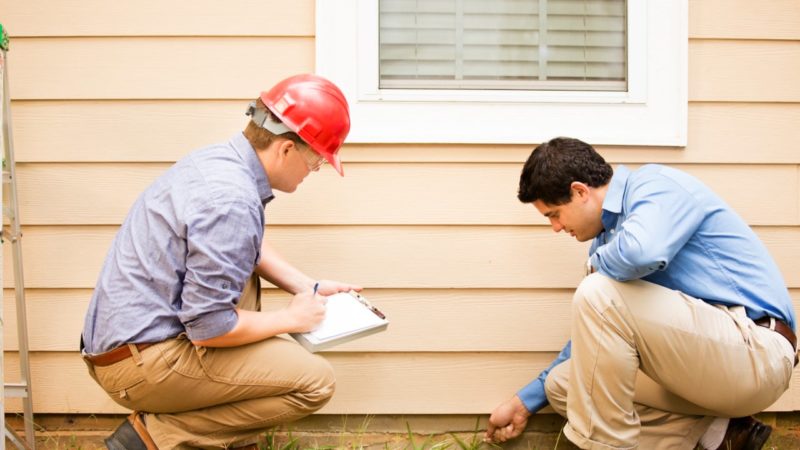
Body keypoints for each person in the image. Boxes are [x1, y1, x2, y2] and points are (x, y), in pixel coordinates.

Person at [81, 74, 360, 450]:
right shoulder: (229, 201)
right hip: (140, 364)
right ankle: (152, 438)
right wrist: (291, 319)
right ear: (286, 149)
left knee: (242, 281)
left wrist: (305, 286)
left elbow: (245, 248)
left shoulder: (222, 161)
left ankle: (221, 440)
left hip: (129, 343)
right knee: (315, 382)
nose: (316, 170)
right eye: (317, 159)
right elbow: (209, 327)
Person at [485, 137, 796, 450]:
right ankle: (718, 434)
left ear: (580, 191)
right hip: (706, 372)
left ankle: (604, 446)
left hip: (755, 352)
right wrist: (524, 403)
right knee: (564, 384)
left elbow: (644, 252)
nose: (555, 227)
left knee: (597, 293)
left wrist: (595, 268)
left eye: (554, 214)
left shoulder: (654, 187)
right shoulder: (606, 247)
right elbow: (590, 345)